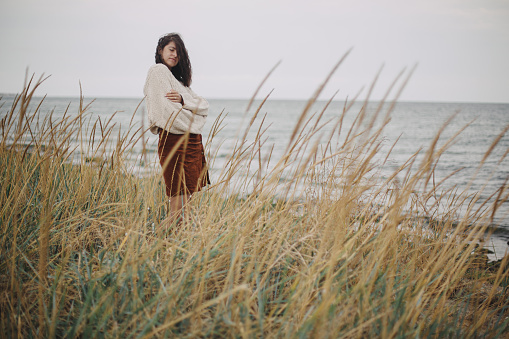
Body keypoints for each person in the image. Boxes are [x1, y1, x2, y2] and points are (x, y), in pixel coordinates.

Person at [144, 33, 210, 228]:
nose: (175, 55)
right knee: (177, 209)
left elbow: (204, 106)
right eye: (171, 50)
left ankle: (174, 251)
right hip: (174, 142)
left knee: (186, 209)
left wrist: (183, 100)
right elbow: (166, 114)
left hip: (191, 144)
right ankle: (155, 246)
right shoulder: (158, 71)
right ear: (160, 50)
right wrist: (195, 118)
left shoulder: (178, 82)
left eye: (178, 52)